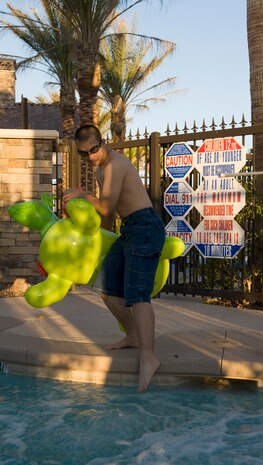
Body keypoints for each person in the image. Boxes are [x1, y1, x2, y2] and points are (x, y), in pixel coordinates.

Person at [63, 124, 166, 392]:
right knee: (105, 289)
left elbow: (106, 205)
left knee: (138, 297)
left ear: (102, 142)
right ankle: (132, 334)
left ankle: (149, 357)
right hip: (129, 230)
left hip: (145, 227)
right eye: (84, 153)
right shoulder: (99, 170)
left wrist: (81, 195)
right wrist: (101, 239)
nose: (91, 156)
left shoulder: (115, 165)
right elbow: (108, 215)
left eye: (94, 150)